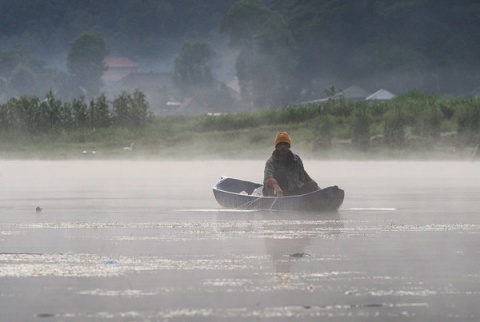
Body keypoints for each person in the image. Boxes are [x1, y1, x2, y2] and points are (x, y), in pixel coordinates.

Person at [263, 132, 320, 197]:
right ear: (276, 146)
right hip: (277, 192)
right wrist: (276, 187)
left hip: (294, 191)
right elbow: (268, 176)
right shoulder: (271, 162)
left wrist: (317, 188)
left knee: (313, 185)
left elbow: (304, 174)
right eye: (280, 144)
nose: (283, 147)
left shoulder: (296, 159)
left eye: (285, 144)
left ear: (289, 146)